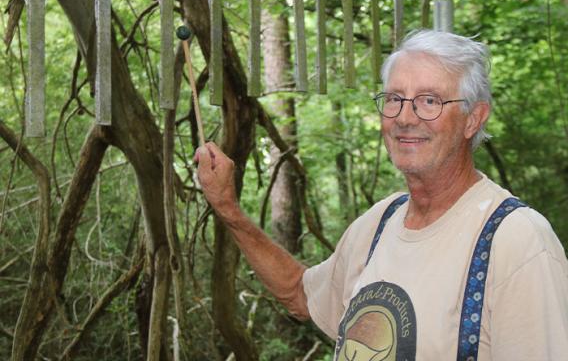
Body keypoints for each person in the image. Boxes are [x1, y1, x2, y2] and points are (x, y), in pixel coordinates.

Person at [195, 30, 568, 360]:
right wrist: (228, 208)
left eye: (429, 101)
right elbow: (299, 293)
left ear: (473, 118)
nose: (405, 117)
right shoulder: (379, 222)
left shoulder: (517, 241)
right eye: (394, 99)